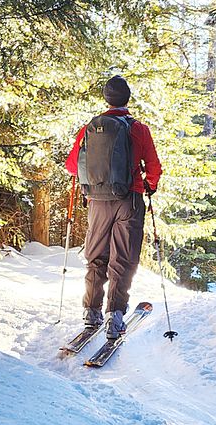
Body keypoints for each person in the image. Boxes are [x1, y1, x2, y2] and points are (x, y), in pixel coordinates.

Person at [65, 75, 162, 340]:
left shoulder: (90, 128)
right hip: (128, 200)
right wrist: (149, 185)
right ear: (127, 99)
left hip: (97, 201)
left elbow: (72, 166)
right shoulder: (138, 129)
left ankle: (91, 311)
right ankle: (115, 316)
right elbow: (153, 168)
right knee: (122, 259)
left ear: (106, 99)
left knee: (96, 256)